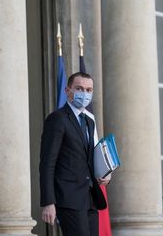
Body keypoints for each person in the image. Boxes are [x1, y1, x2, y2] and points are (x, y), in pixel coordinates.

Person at [40, 72, 110, 236]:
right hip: (69, 199)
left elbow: (88, 158)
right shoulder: (57, 119)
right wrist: (48, 202)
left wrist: (104, 173)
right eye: (79, 88)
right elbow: (47, 163)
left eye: (88, 90)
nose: (84, 94)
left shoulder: (89, 120)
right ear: (67, 90)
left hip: (91, 198)